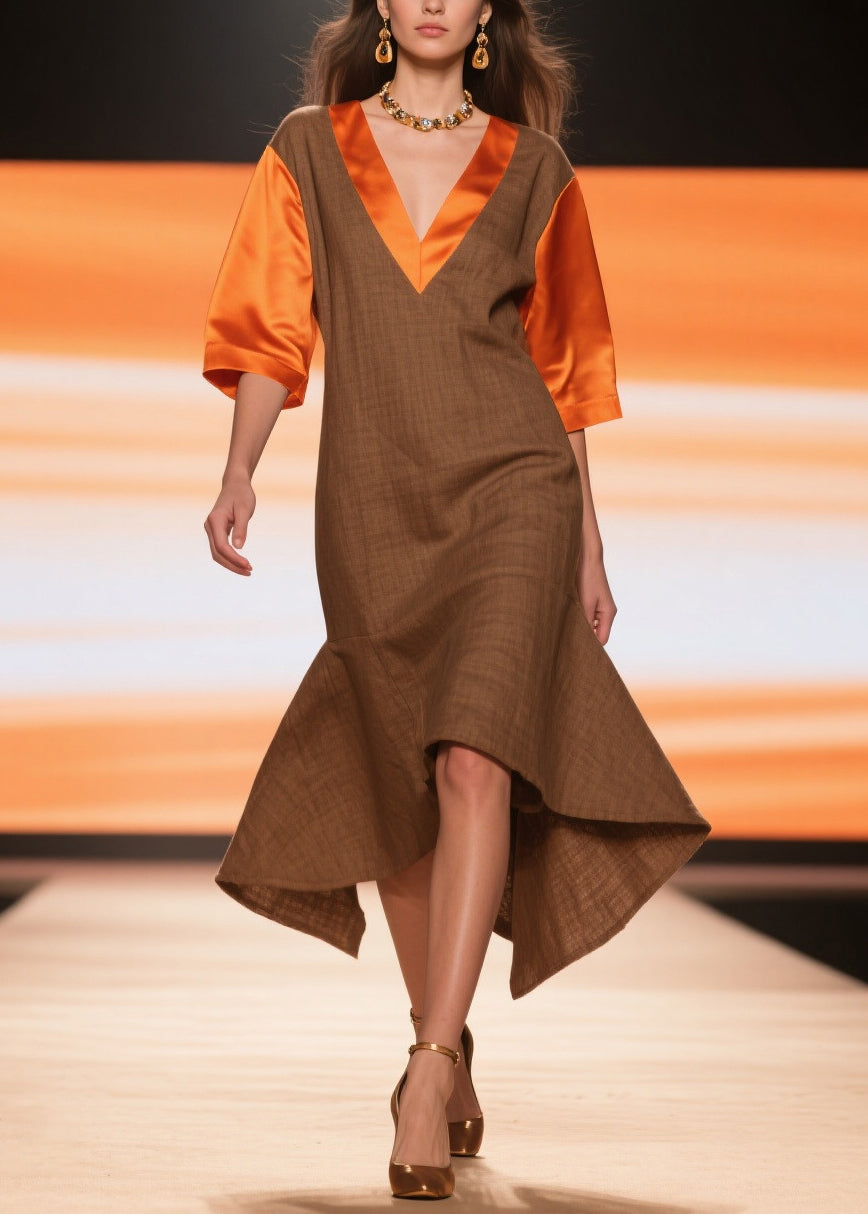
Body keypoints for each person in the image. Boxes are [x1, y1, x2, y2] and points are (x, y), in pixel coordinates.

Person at [202, 0, 712, 1200]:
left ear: (487, 12)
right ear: (382, 6)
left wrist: (588, 539)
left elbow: (566, 368)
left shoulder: (537, 169)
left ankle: (428, 1072)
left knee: (476, 755)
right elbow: (273, 330)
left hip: (515, 489)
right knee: (400, 776)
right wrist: (238, 470)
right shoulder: (306, 148)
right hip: (372, 496)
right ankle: (441, 1026)